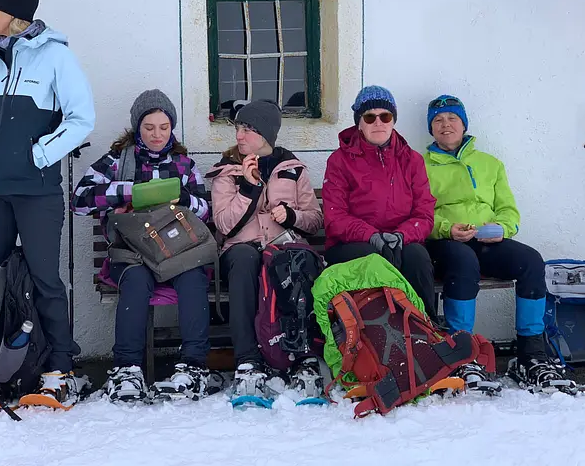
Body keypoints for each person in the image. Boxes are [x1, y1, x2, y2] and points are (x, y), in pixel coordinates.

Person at [0, 0, 95, 406]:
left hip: (36, 191)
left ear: (14, 13)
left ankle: (60, 367)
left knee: (45, 278)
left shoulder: (57, 58)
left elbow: (81, 119)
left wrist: (37, 154)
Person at [423, 94, 576, 393]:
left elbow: (509, 209)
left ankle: (531, 355)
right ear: (431, 129)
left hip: (485, 239)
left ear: (464, 124)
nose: (445, 125)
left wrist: (501, 229)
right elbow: (418, 213)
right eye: (438, 121)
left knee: (531, 261)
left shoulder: (490, 164)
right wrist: (446, 228)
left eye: (452, 119)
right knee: (463, 262)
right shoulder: (420, 164)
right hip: (445, 241)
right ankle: (460, 351)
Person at [72, 90, 218, 402]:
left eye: (163, 127)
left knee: (193, 279)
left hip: (177, 251)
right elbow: (80, 201)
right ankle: (127, 369)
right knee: (136, 282)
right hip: (134, 252)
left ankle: (193, 367)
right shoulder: (117, 161)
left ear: (172, 128)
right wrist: (129, 192)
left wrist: (181, 198)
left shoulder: (183, 164)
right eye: (149, 127)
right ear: (137, 127)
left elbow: (206, 210)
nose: (156, 134)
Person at [205, 100, 323, 400]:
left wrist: (292, 216)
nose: (239, 136)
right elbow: (223, 225)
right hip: (242, 248)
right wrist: (248, 188)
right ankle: (247, 360)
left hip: (282, 247)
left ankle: (302, 356)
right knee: (245, 260)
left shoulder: (293, 170)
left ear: (267, 134)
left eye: (248, 130)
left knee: (292, 261)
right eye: (238, 129)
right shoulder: (227, 171)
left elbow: (315, 219)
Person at [321, 85, 438, 319]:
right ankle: (378, 332)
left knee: (417, 256)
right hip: (352, 243)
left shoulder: (411, 160)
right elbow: (335, 216)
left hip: (400, 240)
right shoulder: (340, 161)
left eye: (385, 116)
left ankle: (426, 326)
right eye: (369, 117)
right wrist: (371, 236)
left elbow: (424, 213)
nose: (378, 123)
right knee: (371, 258)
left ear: (393, 120)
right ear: (359, 123)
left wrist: (401, 235)